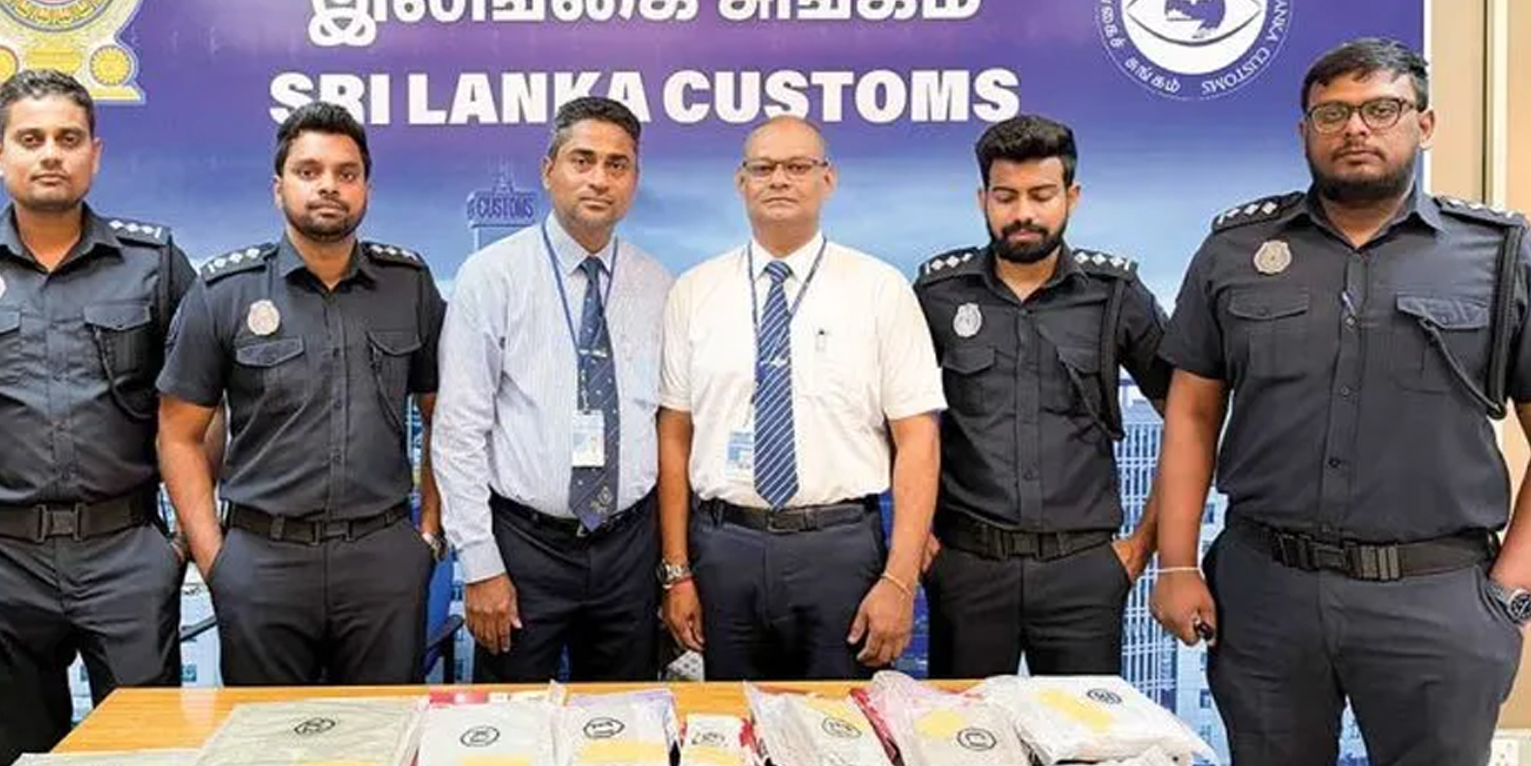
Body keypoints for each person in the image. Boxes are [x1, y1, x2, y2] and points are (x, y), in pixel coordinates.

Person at [1150, 38, 1531, 766]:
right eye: (1331, 113)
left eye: (1380, 109)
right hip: (1268, 592)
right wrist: (1177, 564)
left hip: (1436, 594)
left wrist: (1514, 590)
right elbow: (1192, 413)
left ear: (1423, 125)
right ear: (1305, 132)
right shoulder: (1235, 250)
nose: (1355, 128)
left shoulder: (1500, 256)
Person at [0, 69, 197, 766]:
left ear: (96, 152)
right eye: (31, 140)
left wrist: (178, 544)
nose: (51, 154)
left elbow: (198, 410)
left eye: (68, 138)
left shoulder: (154, 263)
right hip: (5, 562)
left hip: (125, 551)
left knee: (149, 763)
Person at [155, 102, 447, 685]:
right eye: (308, 171)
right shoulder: (225, 292)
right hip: (263, 560)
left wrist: (428, 537)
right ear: (278, 187)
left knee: (383, 729)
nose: (328, 186)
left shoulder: (408, 285)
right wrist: (215, 560)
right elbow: (178, 434)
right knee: (265, 735)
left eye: (346, 173)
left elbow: (444, 417)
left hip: (383, 558)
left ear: (365, 188)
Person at [656, 115, 945, 679]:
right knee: (730, 719)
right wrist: (676, 571)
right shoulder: (694, 292)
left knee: (839, 724)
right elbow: (674, 435)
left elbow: (918, 440)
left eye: (797, 167)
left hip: (838, 549)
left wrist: (899, 579)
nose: (779, 180)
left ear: (827, 179)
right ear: (741, 181)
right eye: (763, 168)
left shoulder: (879, 289)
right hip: (724, 549)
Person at [913, 115, 1172, 677]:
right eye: (1006, 196)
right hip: (967, 569)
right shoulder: (937, 294)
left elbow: (1189, 417)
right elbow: (894, 420)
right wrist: (917, 543)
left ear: (1071, 197)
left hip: (1084, 572)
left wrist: (1143, 544)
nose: (1023, 213)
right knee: (964, 728)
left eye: (1041, 195)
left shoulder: (1115, 295)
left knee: (1084, 733)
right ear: (983, 199)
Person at [433, 96, 674, 682]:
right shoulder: (491, 277)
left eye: (617, 165)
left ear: (634, 179)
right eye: (582, 160)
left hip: (628, 547)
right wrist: (481, 564)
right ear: (549, 170)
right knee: (509, 722)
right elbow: (459, 430)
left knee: (625, 717)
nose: (599, 179)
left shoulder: (658, 284)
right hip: (525, 547)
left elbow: (668, 424)